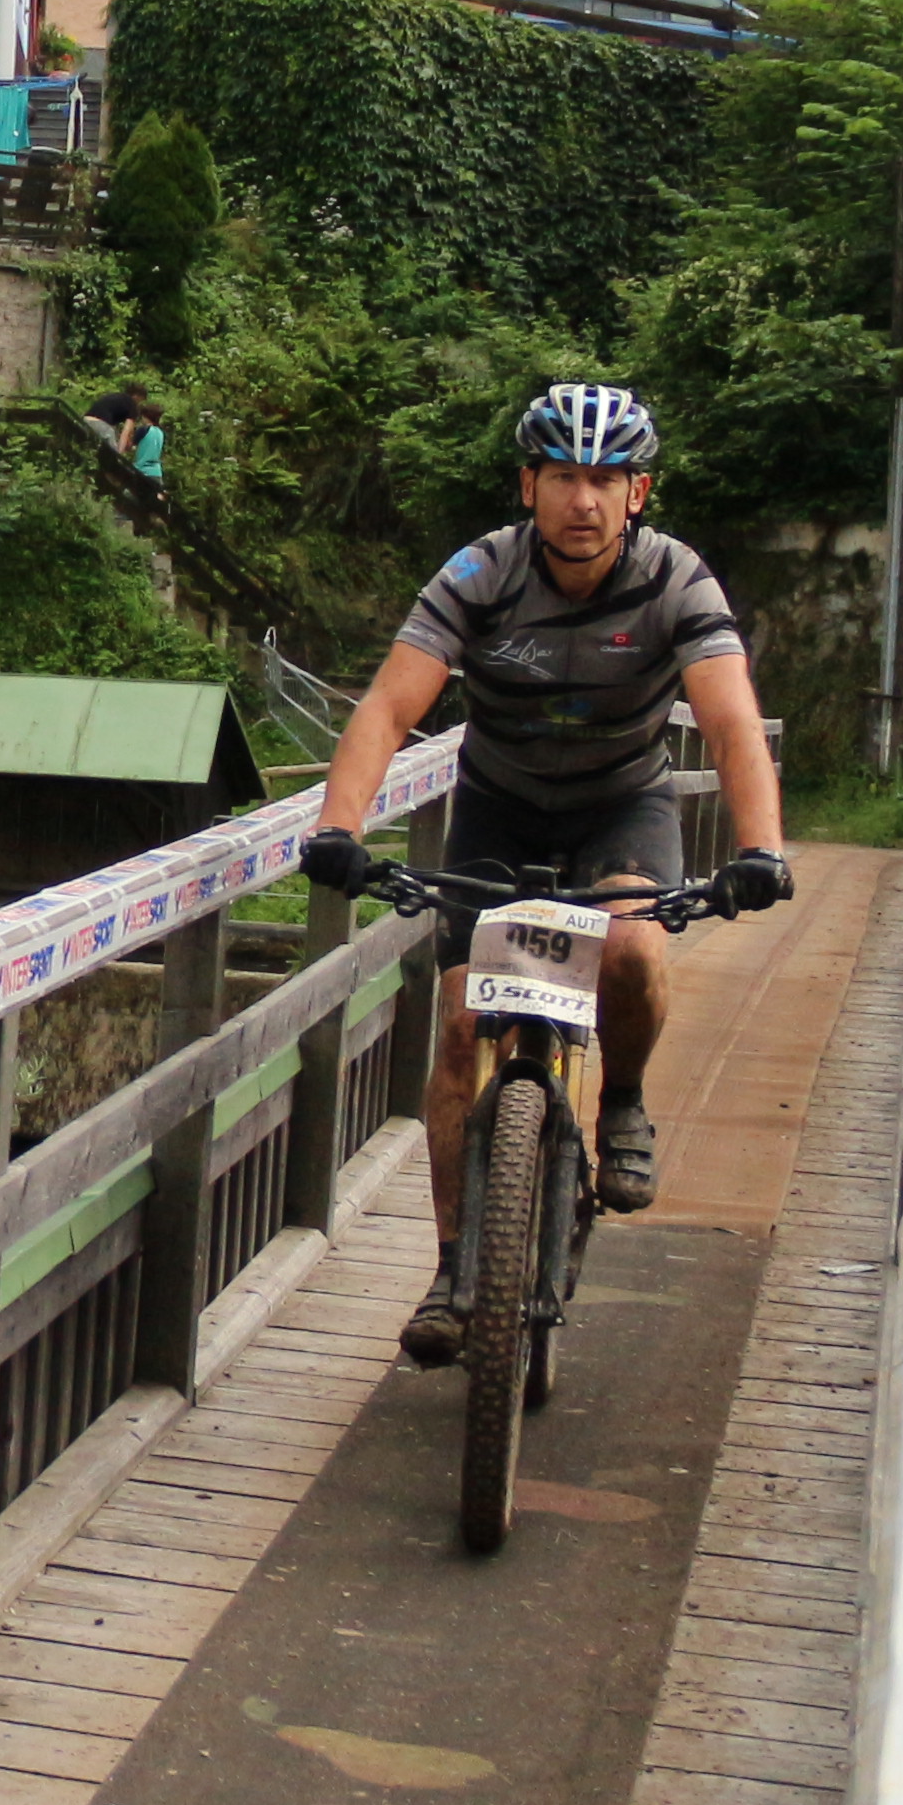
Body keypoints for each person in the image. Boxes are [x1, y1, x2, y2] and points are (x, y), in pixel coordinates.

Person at [297, 383, 791, 1367]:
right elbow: (389, 708)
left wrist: (761, 850)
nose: (584, 500)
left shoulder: (676, 580)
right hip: (499, 805)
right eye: (563, 476)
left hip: (622, 807)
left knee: (634, 951)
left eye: (606, 479)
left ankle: (622, 1100)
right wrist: (338, 828)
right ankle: (452, 1272)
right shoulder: (480, 573)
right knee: (458, 1024)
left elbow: (731, 721)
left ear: (638, 492)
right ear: (529, 485)